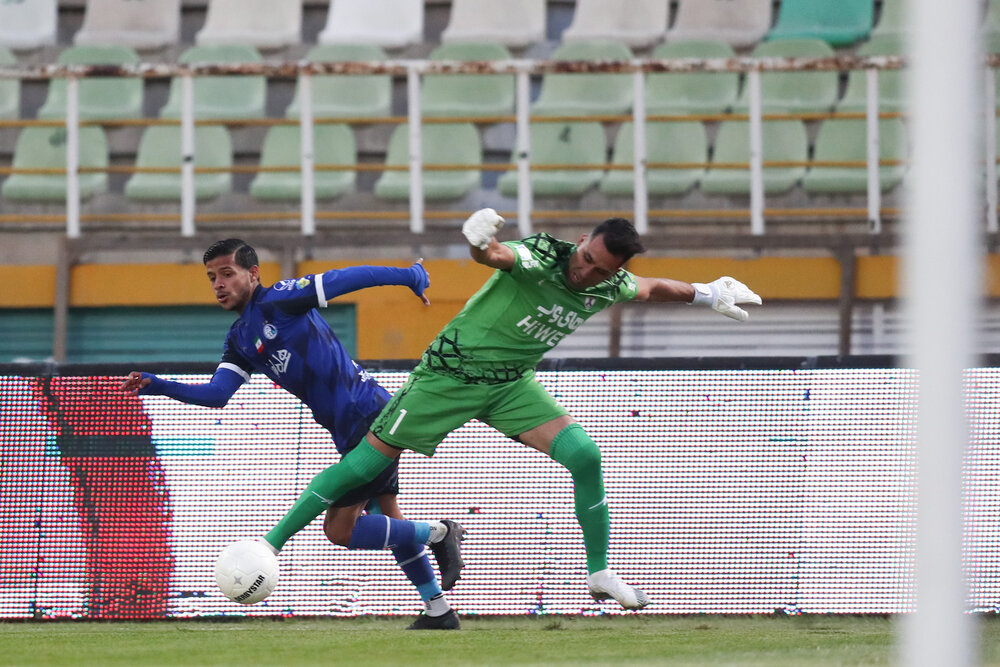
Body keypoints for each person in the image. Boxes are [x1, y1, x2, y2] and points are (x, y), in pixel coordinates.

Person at [260, 210, 762, 610]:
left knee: (585, 456)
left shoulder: (609, 285)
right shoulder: (544, 254)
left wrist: (706, 293)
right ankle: (272, 544)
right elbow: (498, 255)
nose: (586, 272)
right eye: (587, 257)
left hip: (510, 386)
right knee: (367, 463)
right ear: (581, 240)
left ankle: (600, 573)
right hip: (449, 376)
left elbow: (651, 287)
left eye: (601, 269)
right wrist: (479, 242)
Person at [120, 238, 466, 630]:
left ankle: (439, 533)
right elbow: (217, 395)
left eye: (227, 274)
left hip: (365, 412)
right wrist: (158, 385)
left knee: (340, 529)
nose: (219, 284)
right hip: (350, 425)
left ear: (253, 274)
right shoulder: (239, 338)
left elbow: (344, 279)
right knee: (385, 515)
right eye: (212, 277)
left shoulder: (280, 299)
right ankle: (438, 610)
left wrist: (409, 276)